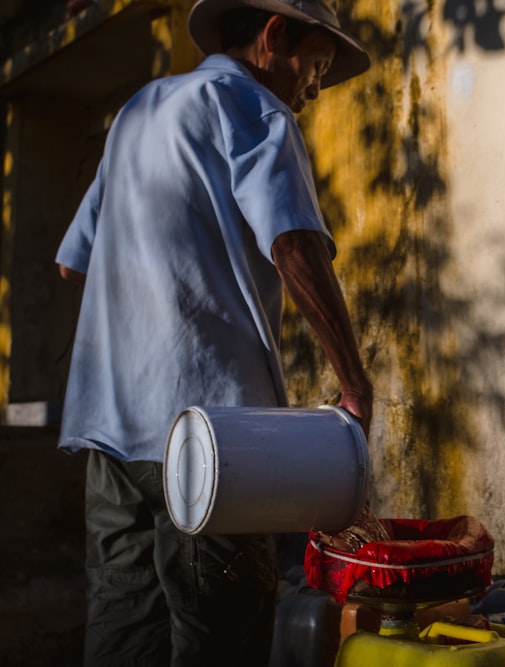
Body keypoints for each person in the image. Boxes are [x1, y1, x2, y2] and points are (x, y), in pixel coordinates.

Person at [55, 1, 373, 664]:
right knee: (222, 631)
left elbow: (71, 260)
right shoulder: (252, 106)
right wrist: (353, 381)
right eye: (316, 67)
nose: (314, 88)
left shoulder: (137, 112)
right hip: (209, 436)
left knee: (123, 629)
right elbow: (292, 244)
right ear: (274, 34)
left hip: (110, 429)